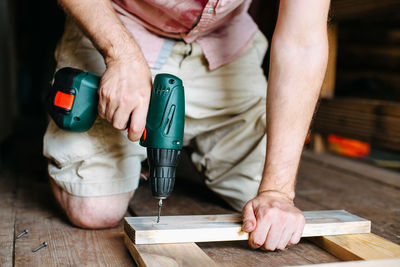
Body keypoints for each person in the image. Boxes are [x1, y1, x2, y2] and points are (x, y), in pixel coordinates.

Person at [43, 0, 330, 251]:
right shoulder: (119, 44)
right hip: (121, 25)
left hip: (224, 43)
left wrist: (277, 192)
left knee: (260, 205)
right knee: (94, 209)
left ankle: (155, 154)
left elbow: (302, 43)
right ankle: (120, 151)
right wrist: (120, 55)